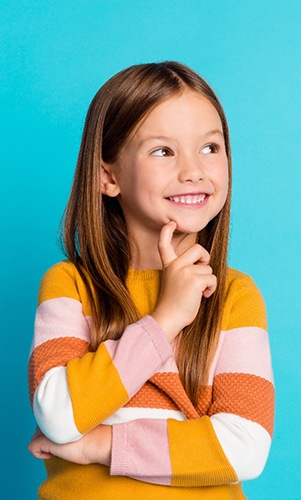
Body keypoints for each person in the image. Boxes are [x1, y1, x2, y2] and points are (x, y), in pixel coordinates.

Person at [27, 61, 274, 499]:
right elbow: (59, 414)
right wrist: (164, 321)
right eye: (163, 151)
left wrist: (100, 445)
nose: (193, 170)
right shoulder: (69, 285)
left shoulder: (235, 296)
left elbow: (244, 448)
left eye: (211, 148)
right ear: (108, 176)